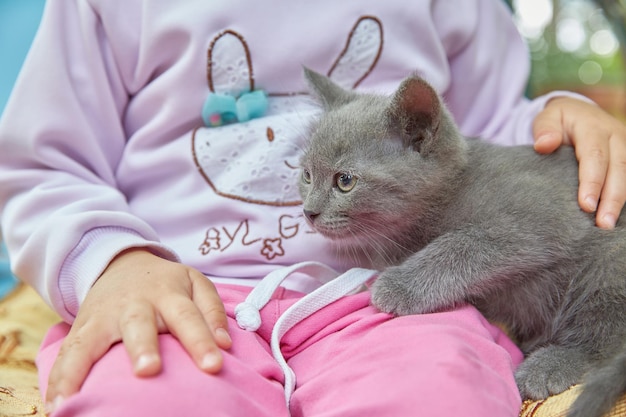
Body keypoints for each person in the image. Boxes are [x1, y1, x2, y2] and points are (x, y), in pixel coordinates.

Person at [0, 1, 625, 416]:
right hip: (177, 297)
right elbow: (42, 163)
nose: (309, 208)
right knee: (141, 395)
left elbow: (477, 139)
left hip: (383, 297)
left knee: (441, 392)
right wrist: (114, 263)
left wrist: (556, 117)